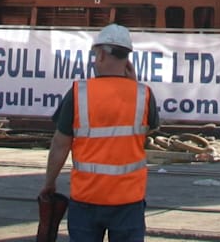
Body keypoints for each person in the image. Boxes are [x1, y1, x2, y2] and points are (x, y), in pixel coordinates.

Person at [40, 24, 160, 242]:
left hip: (87, 199)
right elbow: (148, 130)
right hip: (128, 201)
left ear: (102, 54)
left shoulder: (78, 93)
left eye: (96, 54)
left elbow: (60, 145)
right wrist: (132, 85)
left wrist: (49, 183)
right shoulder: (144, 94)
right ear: (127, 58)